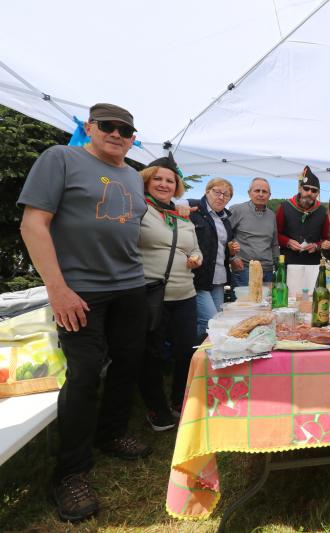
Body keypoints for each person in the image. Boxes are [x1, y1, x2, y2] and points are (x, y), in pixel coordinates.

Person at [18, 103, 150, 522]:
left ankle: (111, 434)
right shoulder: (60, 158)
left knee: (129, 362)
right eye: (108, 126)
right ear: (90, 127)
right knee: (85, 373)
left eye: (125, 130)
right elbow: (33, 224)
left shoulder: (132, 174)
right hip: (81, 291)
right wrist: (57, 290)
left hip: (130, 286)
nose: (117, 134)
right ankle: (70, 472)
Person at [137, 153, 202, 431]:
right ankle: (156, 408)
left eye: (170, 180)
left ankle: (179, 400)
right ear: (147, 181)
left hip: (185, 294)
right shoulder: (139, 208)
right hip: (152, 294)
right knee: (152, 354)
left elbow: (195, 248)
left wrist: (197, 258)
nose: (164, 184)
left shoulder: (183, 216)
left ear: (177, 187)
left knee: (186, 351)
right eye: (158, 179)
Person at [188, 178, 235, 343]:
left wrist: (232, 251)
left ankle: (204, 355)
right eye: (217, 191)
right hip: (200, 277)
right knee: (210, 321)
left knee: (217, 322)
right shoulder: (193, 209)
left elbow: (221, 247)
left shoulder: (226, 220)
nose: (221, 197)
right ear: (207, 192)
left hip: (219, 278)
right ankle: (187, 352)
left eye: (226, 194)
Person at [275, 165, 330, 296]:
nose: (309, 193)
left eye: (314, 190)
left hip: (313, 265)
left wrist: (316, 246)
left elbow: (325, 239)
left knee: (309, 300)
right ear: (300, 188)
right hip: (289, 263)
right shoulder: (285, 207)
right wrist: (287, 241)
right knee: (289, 299)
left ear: (318, 193)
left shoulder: (322, 211)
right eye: (306, 189)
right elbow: (275, 234)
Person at [229, 177, 279, 288]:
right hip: (245, 269)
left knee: (266, 303)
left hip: (268, 270)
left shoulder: (271, 215)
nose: (261, 194)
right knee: (245, 304)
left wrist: (278, 265)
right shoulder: (237, 210)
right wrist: (232, 258)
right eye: (257, 190)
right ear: (249, 193)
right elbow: (225, 236)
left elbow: (274, 243)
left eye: (264, 191)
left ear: (269, 195)